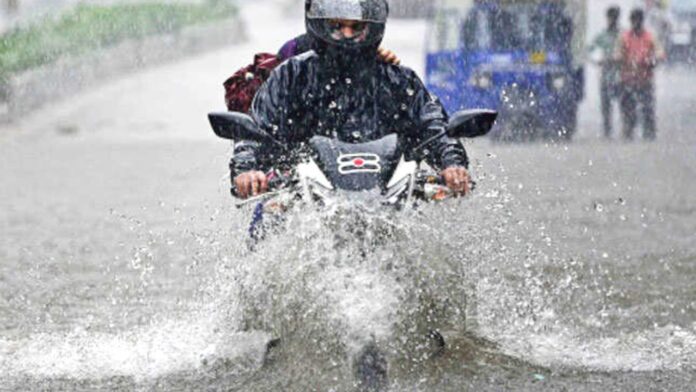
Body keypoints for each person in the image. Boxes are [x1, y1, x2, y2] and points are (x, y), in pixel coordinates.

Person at [231, 0, 470, 199]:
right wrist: (247, 170)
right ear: (321, 24)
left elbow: (432, 125)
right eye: (337, 26)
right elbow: (258, 129)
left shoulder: (397, 79)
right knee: (265, 227)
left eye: (356, 27)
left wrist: (452, 163)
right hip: (303, 198)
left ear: (371, 26)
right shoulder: (292, 74)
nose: (346, 35)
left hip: (388, 200)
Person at [616, 8, 665, 140]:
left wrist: (651, 60)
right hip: (627, 79)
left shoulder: (649, 37)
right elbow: (617, 54)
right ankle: (628, 130)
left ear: (642, 21)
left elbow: (660, 52)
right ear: (631, 21)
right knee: (627, 109)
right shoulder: (625, 37)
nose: (636, 23)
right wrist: (622, 60)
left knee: (648, 109)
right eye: (634, 20)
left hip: (645, 79)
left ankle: (649, 132)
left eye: (638, 20)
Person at [588, 6, 622, 138]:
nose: (612, 20)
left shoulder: (623, 35)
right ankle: (607, 131)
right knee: (606, 108)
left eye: (614, 17)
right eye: (611, 17)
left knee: (625, 106)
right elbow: (589, 50)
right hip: (606, 76)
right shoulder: (602, 36)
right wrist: (597, 60)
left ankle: (626, 130)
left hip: (621, 77)